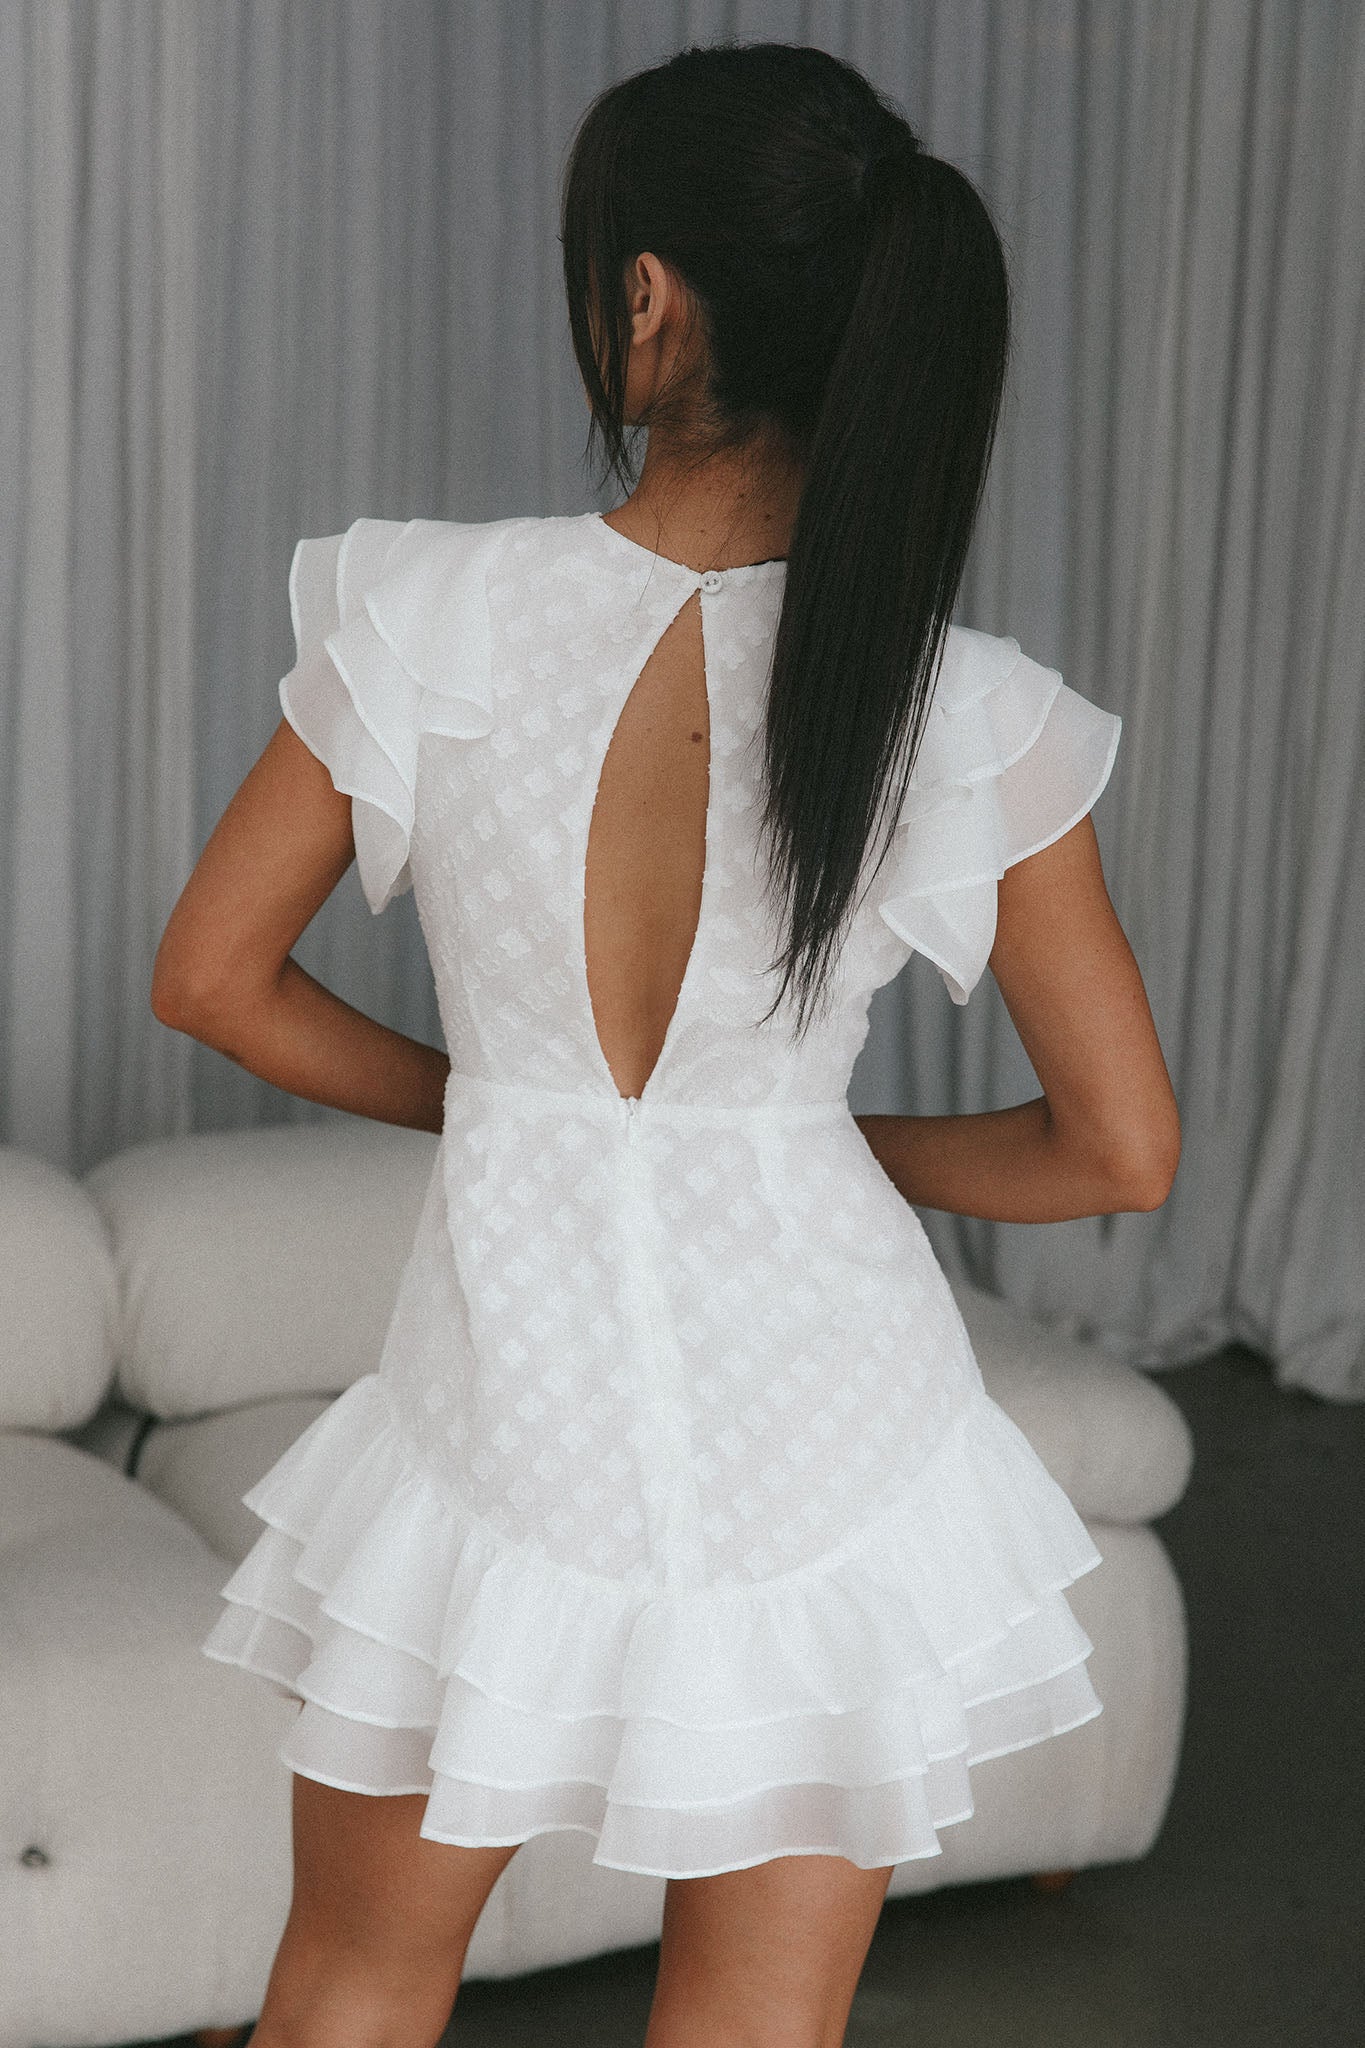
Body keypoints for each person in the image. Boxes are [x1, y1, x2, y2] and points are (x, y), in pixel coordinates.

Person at [153, 38, 1180, 2048]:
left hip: (496, 1418)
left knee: (354, 1978)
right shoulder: (965, 709)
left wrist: (501, 1104)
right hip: (831, 1442)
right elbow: (1117, 1152)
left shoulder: (430, 612)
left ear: (650, 300)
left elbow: (211, 979)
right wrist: (801, 1142)